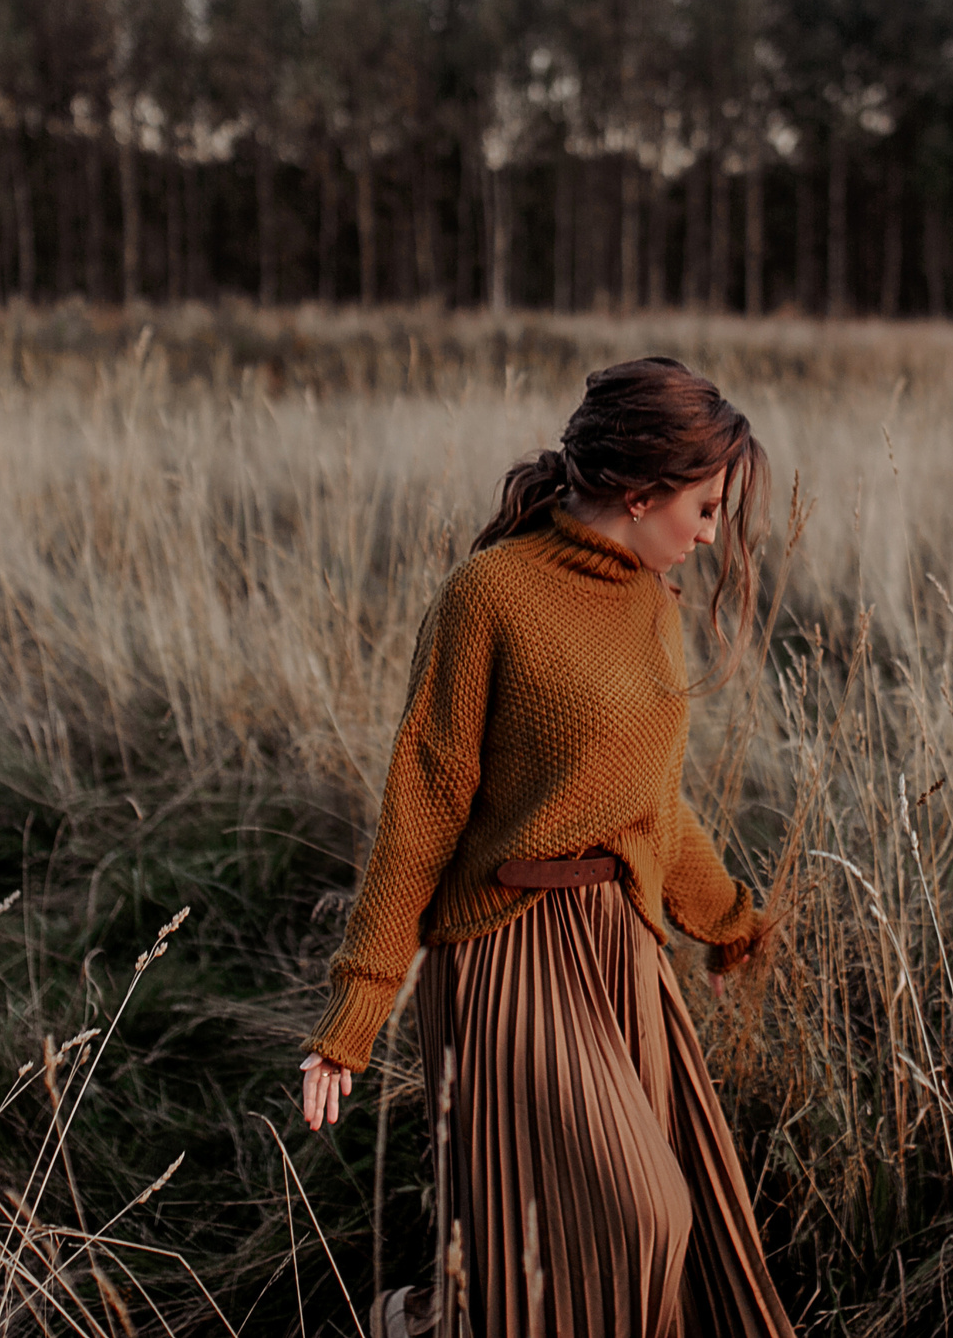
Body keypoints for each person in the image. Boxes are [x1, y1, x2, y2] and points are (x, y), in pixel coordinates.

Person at [298, 357, 794, 1338]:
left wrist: (729, 917)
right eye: (702, 510)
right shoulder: (488, 595)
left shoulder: (654, 607)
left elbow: (652, 803)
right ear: (639, 493)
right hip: (506, 958)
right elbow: (424, 804)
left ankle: (441, 1318)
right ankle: (411, 1321)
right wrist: (355, 1009)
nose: (709, 536)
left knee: (627, 1236)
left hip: (619, 954)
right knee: (645, 1217)